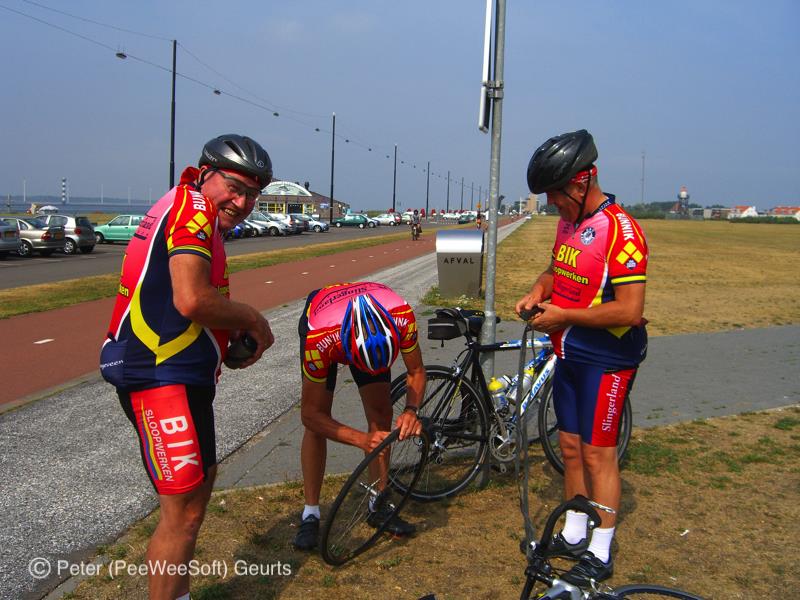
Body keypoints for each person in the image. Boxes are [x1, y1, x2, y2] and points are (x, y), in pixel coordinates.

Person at [100, 134, 275, 600]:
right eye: (235, 188)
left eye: (253, 195)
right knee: (184, 515)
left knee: (197, 497)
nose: (242, 202)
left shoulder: (190, 207)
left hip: (184, 373)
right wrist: (254, 319)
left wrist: (225, 340)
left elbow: (183, 306)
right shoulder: (193, 210)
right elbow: (193, 300)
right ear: (205, 172)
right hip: (158, 376)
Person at [515, 130, 648, 586]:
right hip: (568, 353)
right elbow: (557, 269)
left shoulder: (622, 231)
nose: (551, 202)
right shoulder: (569, 222)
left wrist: (564, 315)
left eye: (555, 193)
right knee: (570, 447)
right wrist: (538, 290)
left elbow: (631, 310)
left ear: (582, 180)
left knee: (597, 454)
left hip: (607, 360)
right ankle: (574, 531)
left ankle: (602, 546)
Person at [293, 281, 426, 550]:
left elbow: (416, 371)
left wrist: (412, 410)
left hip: (371, 321)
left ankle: (379, 502)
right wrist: (360, 439)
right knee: (318, 424)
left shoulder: (402, 317)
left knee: (381, 413)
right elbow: (309, 414)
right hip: (324, 319)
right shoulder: (320, 339)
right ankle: (310, 513)